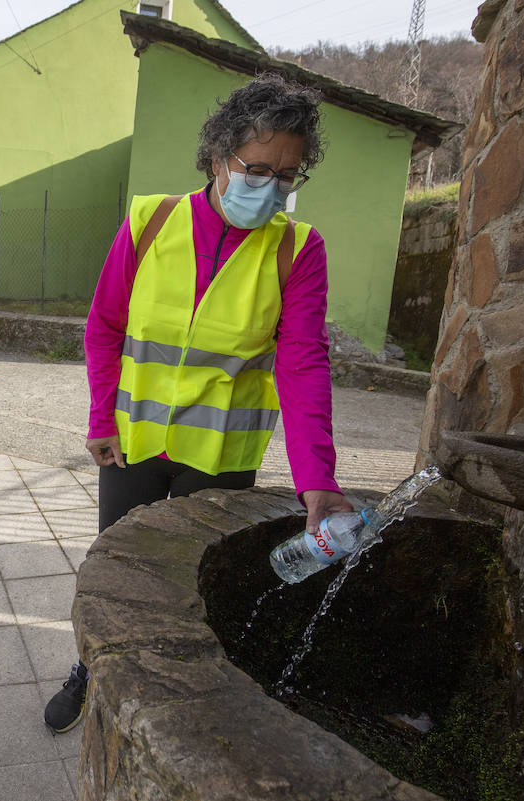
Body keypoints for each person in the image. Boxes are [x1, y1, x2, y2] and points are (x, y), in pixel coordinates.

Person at [42, 74, 351, 735]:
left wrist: (317, 481)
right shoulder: (150, 221)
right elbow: (104, 327)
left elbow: (302, 367)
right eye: (256, 168)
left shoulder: (298, 250)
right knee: (118, 572)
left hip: (218, 459)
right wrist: (101, 416)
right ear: (218, 158)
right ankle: (90, 667)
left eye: (287, 176)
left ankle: (174, 701)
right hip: (135, 446)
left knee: (192, 591)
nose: (269, 187)